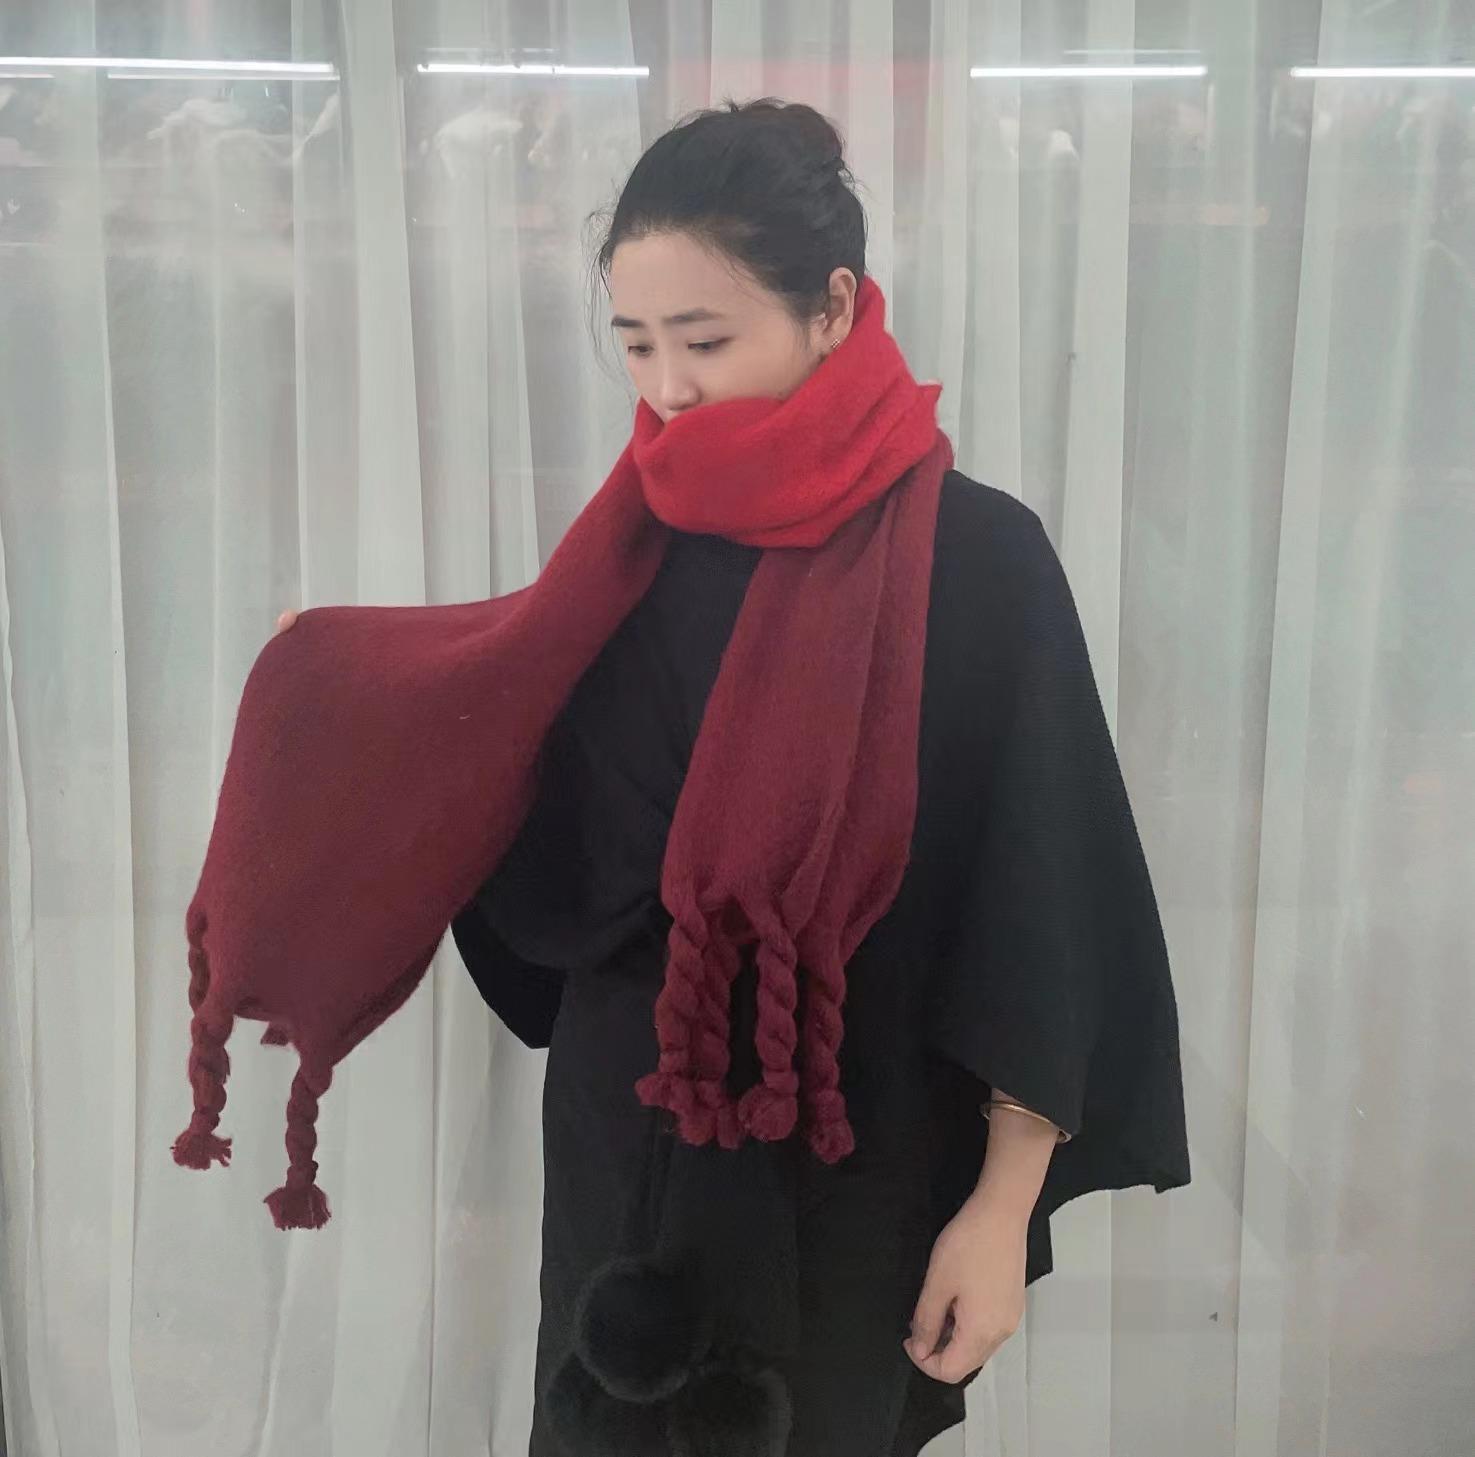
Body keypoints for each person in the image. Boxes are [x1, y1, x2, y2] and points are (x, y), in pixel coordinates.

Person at [270, 97, 1188, 1457]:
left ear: (833, 307)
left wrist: (1001, 1213)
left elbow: (1044, 899)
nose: (667, 389)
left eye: (704, 341)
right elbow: (524, 781)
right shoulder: (628, 545)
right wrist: (356, 700)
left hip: (854, 1155)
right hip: (625, 1151)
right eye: (636, 342)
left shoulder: (979, 561)